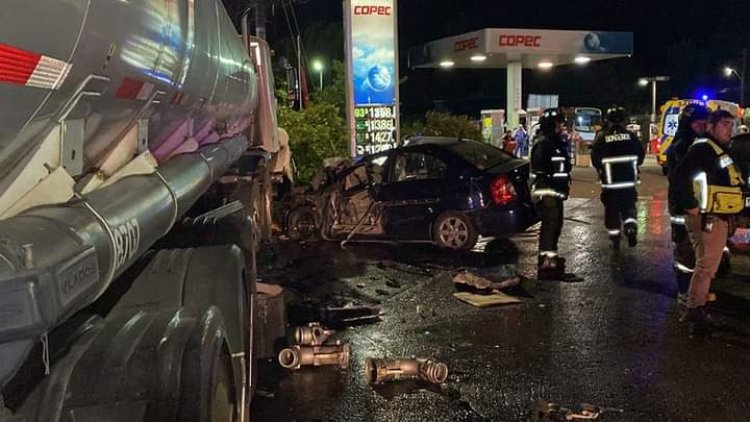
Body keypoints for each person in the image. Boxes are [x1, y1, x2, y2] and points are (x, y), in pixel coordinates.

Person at [670, 110, 744, 336]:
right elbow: (678, 178)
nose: (728, 129)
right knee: (706, 266)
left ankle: (697, 309)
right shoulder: (703, 149)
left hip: (717, 215)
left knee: (706, 265)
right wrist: (691, 206)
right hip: (708, 217)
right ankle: (696, 311)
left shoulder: (718, 149)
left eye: (731, 125)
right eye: (723, 124)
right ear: (710, 126)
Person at [666, 104, 710, 293]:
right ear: (689, 123)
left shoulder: (695, 142)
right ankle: (685, 291)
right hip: (685, 206)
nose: (703, 127)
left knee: (697, 248)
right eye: (699, 124)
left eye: (705, 124)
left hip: (696, 205)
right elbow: (681, 178)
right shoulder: (684, 145)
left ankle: (694, 289)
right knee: (685, 249)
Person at [530, 108, 575, 280]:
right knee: (550, 226)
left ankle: (551, 260)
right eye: (558, 124)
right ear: (551, 125)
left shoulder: (552, 143)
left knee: (555, 226)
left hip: (554, 191)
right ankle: (546, 265)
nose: (561, 127)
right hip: (548, 191)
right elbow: (545, 168)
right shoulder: (545, 144)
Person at [591, 107, 645, 249]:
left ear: (608, 121)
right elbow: (640, 156)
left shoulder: (603, 138)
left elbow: (595, 158)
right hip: (628, 182)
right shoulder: (631, 136)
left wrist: (601, 169)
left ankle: (615, 238)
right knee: (629, 206)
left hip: (610, 183)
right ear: (624, 120)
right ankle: (630, 226)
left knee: (612, 210)